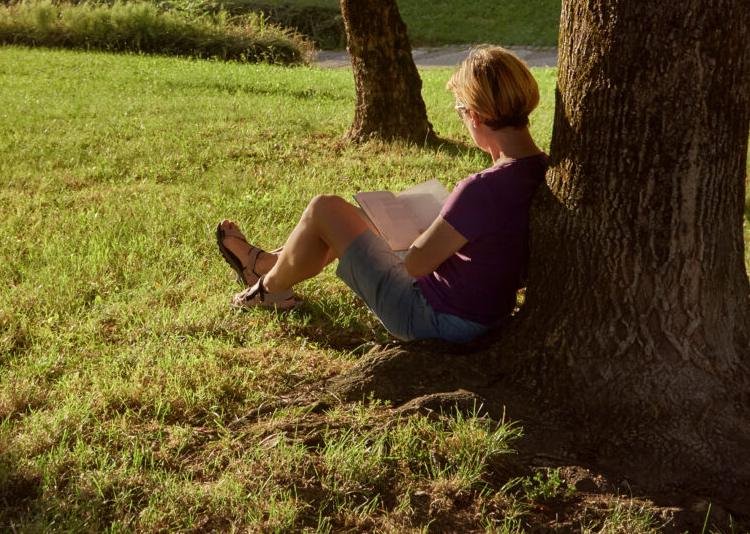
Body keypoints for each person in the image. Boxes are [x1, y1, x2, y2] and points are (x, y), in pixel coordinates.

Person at [212, 45, 546, 343]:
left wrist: (418, 236)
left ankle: (267, 290)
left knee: (324, 209)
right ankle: (270, 264)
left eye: (460, 111)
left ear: (475, 114)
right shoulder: (544, 170)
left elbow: (416, 263)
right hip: (484, 312)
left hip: (433, 317)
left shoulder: (481, 189)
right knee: (360, 216)